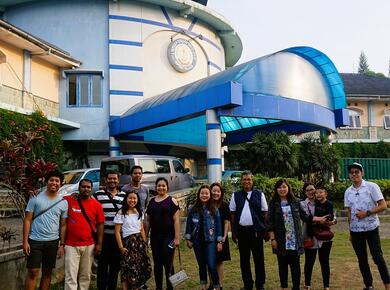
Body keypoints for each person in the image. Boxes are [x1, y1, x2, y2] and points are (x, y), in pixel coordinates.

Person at [268, 179, 325, 290]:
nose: (282, 189)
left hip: (294, 240)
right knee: (282, 265)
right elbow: (270, 223)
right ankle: (284, 287)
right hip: (280, 240)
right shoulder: (273, 203)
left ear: (288, 188)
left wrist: (320, 219)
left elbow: (305, 217)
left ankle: (296, 287)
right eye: (279, 187)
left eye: (284, 187)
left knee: (295, 266)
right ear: (276, 189)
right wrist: (272, 239)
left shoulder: (296, 202)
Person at [344, 162, 390, 290]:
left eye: (357, 172)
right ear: (349, 175)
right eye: (351, 172)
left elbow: (383, 205)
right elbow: (349, 212)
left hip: (371, 228)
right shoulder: (348, 191)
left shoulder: (371, 186)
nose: (354, 174)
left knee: (377, 257)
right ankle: (369, 285)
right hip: (356, 231)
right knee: (362, 259)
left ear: (362, 173)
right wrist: (350, 232)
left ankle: (387, 285)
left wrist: (367, 213)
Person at [23, 170, 68, 290]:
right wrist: (25, 241)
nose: (54, 183)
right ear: (46, 182)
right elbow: (27, 220)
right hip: (35, 240)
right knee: (33, 271)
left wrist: (62, 244)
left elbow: (63, 225)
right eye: (51, 180)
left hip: (53, 241)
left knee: (47, 273)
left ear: (61, 183)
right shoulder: (35, 197)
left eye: (57, 181)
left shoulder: (63, 202)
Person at [63, 178, 105, 290]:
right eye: (83, 186)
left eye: (88, 187)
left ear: (91, 189)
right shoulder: (69, 200)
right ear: (79, 188)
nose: (86, 189)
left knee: (85, 275)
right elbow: (53, 198)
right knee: (70, 276)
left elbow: (100, 225)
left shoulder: (97, 205)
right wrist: (37, 193)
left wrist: (99, 244)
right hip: (71, 245)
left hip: (89, 245)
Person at [229, 170, 268, 290]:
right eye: (244, 179)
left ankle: (260, 285)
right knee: (244, 260)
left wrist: (265, 230)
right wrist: (234, 231)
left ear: (252, 181)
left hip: (256, 232)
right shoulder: (235, 195)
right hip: (242, 232)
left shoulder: (259, 194)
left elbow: (265, 212)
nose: (247, 181)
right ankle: (247, 284)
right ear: (241, 181)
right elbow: (232, 214)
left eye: (249, 179)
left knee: (259, 259)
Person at [145, 177, 180, 290]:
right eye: (159, 185)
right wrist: (145, 236)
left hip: (168, 237)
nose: (161, 187)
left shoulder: (172, 200)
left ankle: (170, 287)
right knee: (157, 263)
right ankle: (158, 287)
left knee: (168, 262)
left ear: (167, 187)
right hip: (155, 237)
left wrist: (177, 237)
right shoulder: (151, 201)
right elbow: (148, 220)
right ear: (156, 187)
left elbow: (176, 220)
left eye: (163, 185)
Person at [185, 185, 223, 290]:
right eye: (202, 193)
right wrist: (188, 238)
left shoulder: (214, 209)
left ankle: (216, 286)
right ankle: (203, 286)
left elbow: (219, 226)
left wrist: (219, 242)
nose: (204, 195)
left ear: (210, 195)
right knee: (201, 265)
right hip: (197, 241)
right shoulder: (192, 209)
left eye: (206, 193)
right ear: (199, 195)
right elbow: (189, 224)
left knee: (211, 265)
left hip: (210, 241)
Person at [94, 171, 126, 290]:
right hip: (103, 236)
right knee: (102, 265)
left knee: (115, 266)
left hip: (118, 237)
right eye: (110, 179)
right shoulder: (97, 194)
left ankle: (112, 287)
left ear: (118, 180)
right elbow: (87, 203)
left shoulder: (124, 195)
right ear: (105, 180)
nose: (112, 181)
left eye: (114, 179)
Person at [114, 190, 151, 290]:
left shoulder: (139, 211)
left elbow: (142, 229)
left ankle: (137, 287)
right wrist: (121, 247)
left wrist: (145, 243)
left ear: (137, 200)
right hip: (128, 243)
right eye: (130, 198)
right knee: (127, 268)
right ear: (126, 199)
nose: (132, 200)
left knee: (140, 266)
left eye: (134, 198)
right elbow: (117, 232)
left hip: (139, 243)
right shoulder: (121, 212)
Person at [303, 186, 336, 290]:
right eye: (308, 190)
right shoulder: (303, 204)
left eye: (312, 189)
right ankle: (307, 284)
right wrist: (320, 220)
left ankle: (326, 285)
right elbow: (306, 218)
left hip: (324, 234)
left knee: (324, 261)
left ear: (325, 193)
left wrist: (332, 221)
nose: (312, 192)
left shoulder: (325, 203)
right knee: (309, 261)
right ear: (304, 192)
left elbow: (332, 217)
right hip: (311, 235)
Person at [209, 182, 231, 290]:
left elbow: (226, 222)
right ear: (210, 191)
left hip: (220, 237)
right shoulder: (207, 204)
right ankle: (212, 284)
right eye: (214, 191)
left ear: (221, 193)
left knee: (219, 261)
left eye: (218, 191)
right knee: (209, 261)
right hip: (208, 238)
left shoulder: (224, 205)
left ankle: (220, 285)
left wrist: (224, 237)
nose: (216, 193)